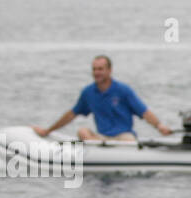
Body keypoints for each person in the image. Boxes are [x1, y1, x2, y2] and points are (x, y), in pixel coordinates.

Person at [33, 55, 172, 142]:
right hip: (101, 139)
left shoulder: (123, 90)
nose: (96, 73)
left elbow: (144, 112)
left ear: (109, 70)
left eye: (100, 69)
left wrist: (159, 126)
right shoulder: (88, 92)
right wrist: (48, 130)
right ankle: (98, 154)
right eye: (94, 69)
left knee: (128, 140)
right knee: (82, 131)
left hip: (123, 137)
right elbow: (71, 114)